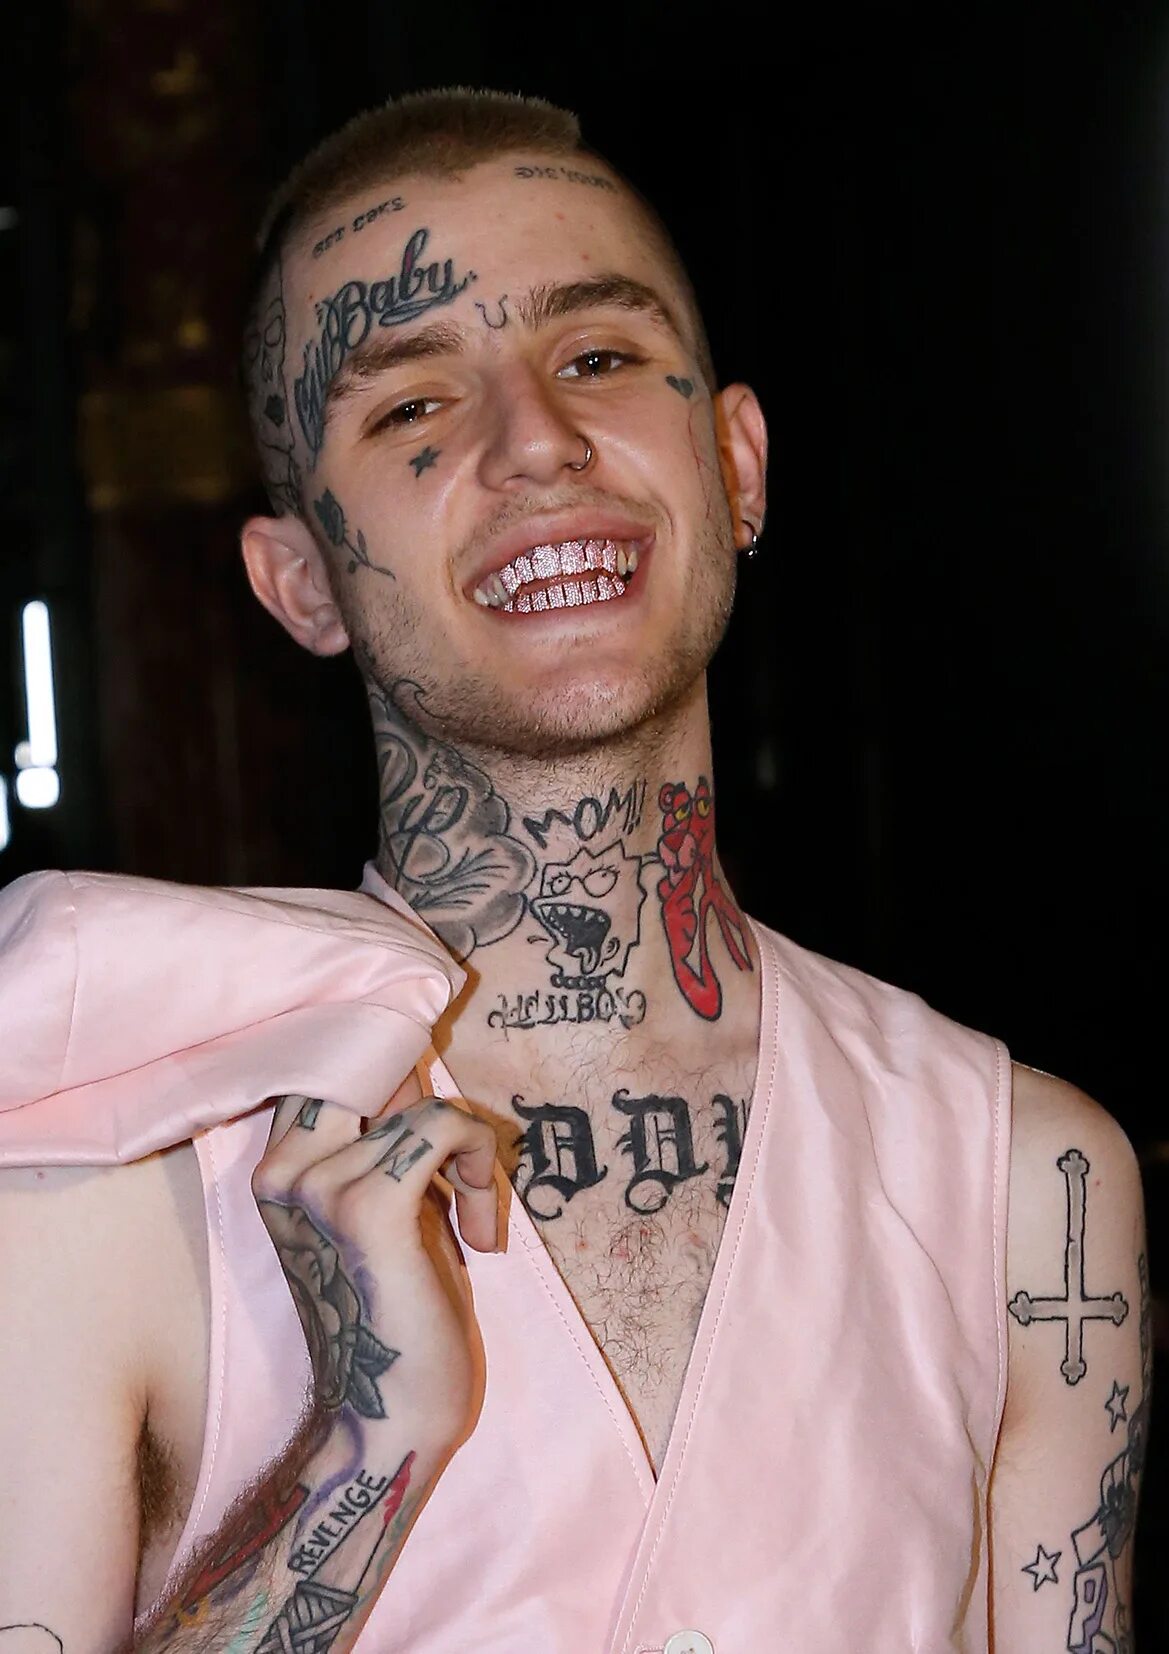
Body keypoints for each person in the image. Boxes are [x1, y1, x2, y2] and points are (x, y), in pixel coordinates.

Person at [0, 88, 1148, 1654]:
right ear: (301, 582)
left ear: (735, 464)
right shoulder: (96, 1174)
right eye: (411, 406)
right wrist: (361, 1460)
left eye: (597, 356)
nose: (535, 439)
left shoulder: (1029, 1186)